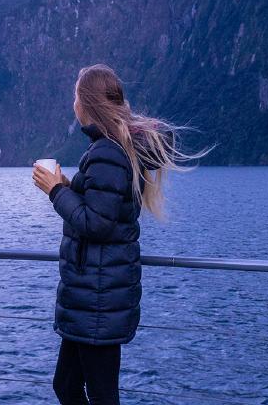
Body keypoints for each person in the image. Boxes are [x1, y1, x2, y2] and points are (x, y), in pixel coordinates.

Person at [32, 64, 206, 405]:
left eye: (75, 96)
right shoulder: (111, 149)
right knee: (67, 386)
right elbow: (103, 203)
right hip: (92, 297)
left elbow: (97, 223)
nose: (73, 103)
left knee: (99, 394)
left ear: (86, 103)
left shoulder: (107, 152)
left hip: (98, 299)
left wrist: (55, 191)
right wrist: (69, 186)